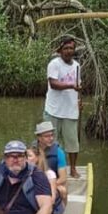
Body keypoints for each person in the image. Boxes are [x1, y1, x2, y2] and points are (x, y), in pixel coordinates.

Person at [43, 35, 82, 178]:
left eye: (71, 48)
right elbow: (53, 84)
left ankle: (72, 168)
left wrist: (79, 101)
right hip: (53, 110)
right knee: (50, 142)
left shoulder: (77, 66)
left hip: (71, 111)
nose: (68, 51)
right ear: (60, 50)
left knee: (73, 143)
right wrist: (71, 85)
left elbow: (78, 86)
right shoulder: (54, 64)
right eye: (65, 48)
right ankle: (51, 169)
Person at [34, 120, 68, 204]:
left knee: (63, 190)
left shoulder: (59, 152)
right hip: (36, 182)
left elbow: (63, 178)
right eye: (47, 136)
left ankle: (62, 209)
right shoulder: (32, 151)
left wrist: (48, 186)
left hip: (53, 181)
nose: (51, 138)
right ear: (39, 138)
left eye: (52, 135)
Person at [26, 144, 65, 214]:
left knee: (62, 190)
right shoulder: (22, 174)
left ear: (37, 158)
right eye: (24, 156)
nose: (26, 159)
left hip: (44, 207)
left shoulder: (49, 174)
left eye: (29, 156)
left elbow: (52, 198)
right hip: (29, 207)